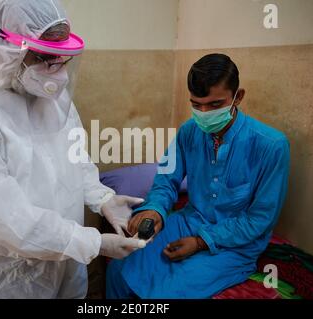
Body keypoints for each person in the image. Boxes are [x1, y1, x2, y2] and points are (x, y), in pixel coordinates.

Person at [0, 0, 145, 299]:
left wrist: (104, 199)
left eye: (62, 57)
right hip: (6, 277)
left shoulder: (53, 97)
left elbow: (75, 160)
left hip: (66, 265)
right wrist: (93, 243)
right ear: (8, 48)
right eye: (47, 57)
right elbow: (4, 215)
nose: (57, 71)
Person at [106, 53, 290, 299]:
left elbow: (259, 219)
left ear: (238, 97)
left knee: (169, 293)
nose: (204, 113)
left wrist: (201, 241)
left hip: (235, 244)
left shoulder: (271, 146)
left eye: (215, 105)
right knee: (120, 267)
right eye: (196, 104)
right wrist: (155, 210)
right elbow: (166, 180)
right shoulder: (188, 132)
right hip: (187, 221)